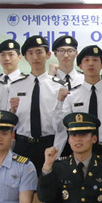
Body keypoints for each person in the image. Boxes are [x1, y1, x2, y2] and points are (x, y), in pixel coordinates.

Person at [54, 45, 102, 166]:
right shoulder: (71, 95)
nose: (91, 64)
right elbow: (62, 127)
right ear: (80, 66)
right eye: (86, 60)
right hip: (79, 150)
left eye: (95, 60)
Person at [8, 35, 66, 170]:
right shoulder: (15, 86)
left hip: (48, 144)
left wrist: (57, 150)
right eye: (30, 53)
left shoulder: (58, 86)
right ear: (25, 57)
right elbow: (10, 123)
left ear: (48, 55)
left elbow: (62, 125)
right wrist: (12, 111)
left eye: (39, 52)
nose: (35, 57)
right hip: (22, 145)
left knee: (47, 181)